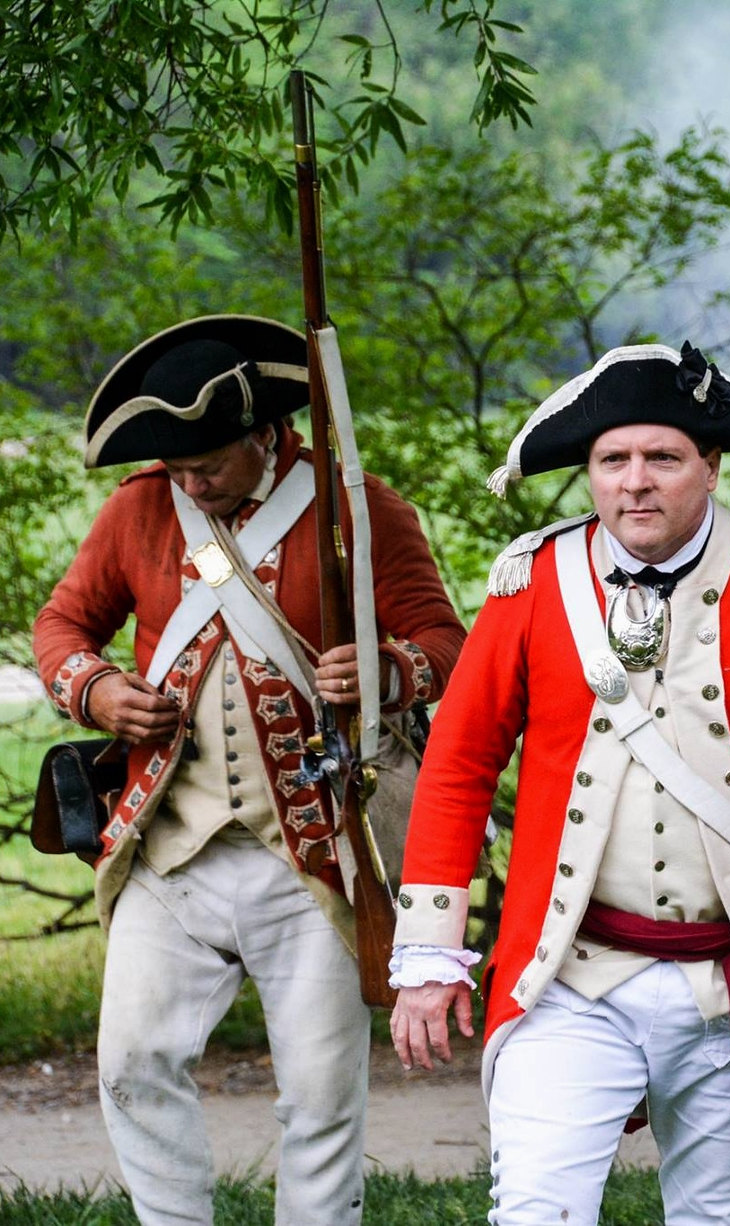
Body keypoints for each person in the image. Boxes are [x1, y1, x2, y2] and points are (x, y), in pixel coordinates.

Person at [387, 342, 730, 1225]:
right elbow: (457, 765)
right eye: (613, 461)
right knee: (536, 1212)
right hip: (571, 973)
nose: (635, 483)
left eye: (663, 458)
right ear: (590, 473)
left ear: (710, 467)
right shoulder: (533, 585)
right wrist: (430, 953)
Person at [32, 315, 466, 1225]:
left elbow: (447, 646)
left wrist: (385, 671)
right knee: (133, 1063)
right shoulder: (139, 509)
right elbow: (61, 630)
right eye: (180, 468)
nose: (192, 483)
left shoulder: (359, 505)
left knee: (318, 1093)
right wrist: (101, 692)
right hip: (170, 846)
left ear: (266, 435)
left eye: (211, 465)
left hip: (312, 853)